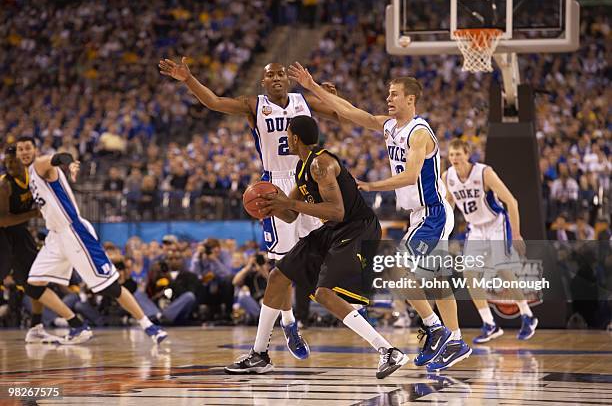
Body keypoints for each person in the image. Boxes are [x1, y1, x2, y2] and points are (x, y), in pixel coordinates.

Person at [288, 63, 471, 372]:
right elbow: (348, 111)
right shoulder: (389, 126)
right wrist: (312, 85)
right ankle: (451, 338)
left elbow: (412, 174)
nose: (389, 98)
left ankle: (437, 330)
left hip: (433, 214)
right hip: (419, 215)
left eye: (395, 94)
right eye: (388, 93)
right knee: (435, 278)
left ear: (411, 99)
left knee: (398, 268)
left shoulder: (419, 133)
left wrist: (372, 185)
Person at [159, 58, 340, 357]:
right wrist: (189, 79)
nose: (278, 78)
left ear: (289, 79)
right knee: (282, 266)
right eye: (271, 75)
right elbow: (214, 102)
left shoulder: (303, 101)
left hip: (308, 180)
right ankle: (289, 321)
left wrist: (329, 94)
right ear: (263, 82)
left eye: (281, 73)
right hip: (275, 186)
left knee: (318, 257)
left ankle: (323, 313)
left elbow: (338, 113)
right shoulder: (253, 105)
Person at [224, 115, 408, 379]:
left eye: (288, 133)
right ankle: (259, 355)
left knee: (325, 293)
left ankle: (388, 350)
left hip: (356, 228)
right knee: (278, 276)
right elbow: (290, 215)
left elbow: (337, 211)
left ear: (295, 138)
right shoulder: (302, 168)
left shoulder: (321, 164)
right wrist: (272, 206)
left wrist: (290, 204)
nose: (286, 137)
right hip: (334, 229)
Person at [14, 136, 168, 344]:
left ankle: (149, 326)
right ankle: (76, 326)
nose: (24, 152)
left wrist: (70, 163)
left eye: (28, 148)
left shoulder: (40, 164)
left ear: (35, 149)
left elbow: (60, 157)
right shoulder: (29, 175)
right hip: (55, 236)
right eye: (20, 149)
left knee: (109, 287)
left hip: (74, 232)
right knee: (33, 285)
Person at [444, 139, 539, 342]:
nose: (454, 158)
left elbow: (512, 202)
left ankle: (527, 316)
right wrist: (442, 232)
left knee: (503, 269)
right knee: (469, 274)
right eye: (451, 155)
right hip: (475, 229)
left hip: (496, 224)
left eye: (458, 154)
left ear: (467, 154)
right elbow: (449, 206)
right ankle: (490, 323)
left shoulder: (484, 172)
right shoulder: (447, 177)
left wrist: (516, 234)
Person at [0, 145, 86, 344]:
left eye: (13, 161)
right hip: (3, 236)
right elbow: (2, 221)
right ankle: (72, 322)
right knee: (31, 283)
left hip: (20, 235)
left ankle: (36, 326)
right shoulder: (5, 185)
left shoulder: (33, 177)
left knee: (36, 280)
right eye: (7, 162)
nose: (10, 165)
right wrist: (32, 214)